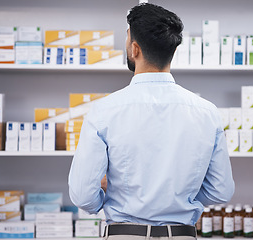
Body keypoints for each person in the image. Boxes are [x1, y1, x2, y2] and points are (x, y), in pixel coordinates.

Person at [68, 3, 235, 240]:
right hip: (182, 234)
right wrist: (181, 200)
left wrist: (106, 199)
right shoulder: (207, 112)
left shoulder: (104, 111)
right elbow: (221, 191)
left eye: (126, 39)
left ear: (135, 49)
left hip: (125, 234)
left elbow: (83, 195)